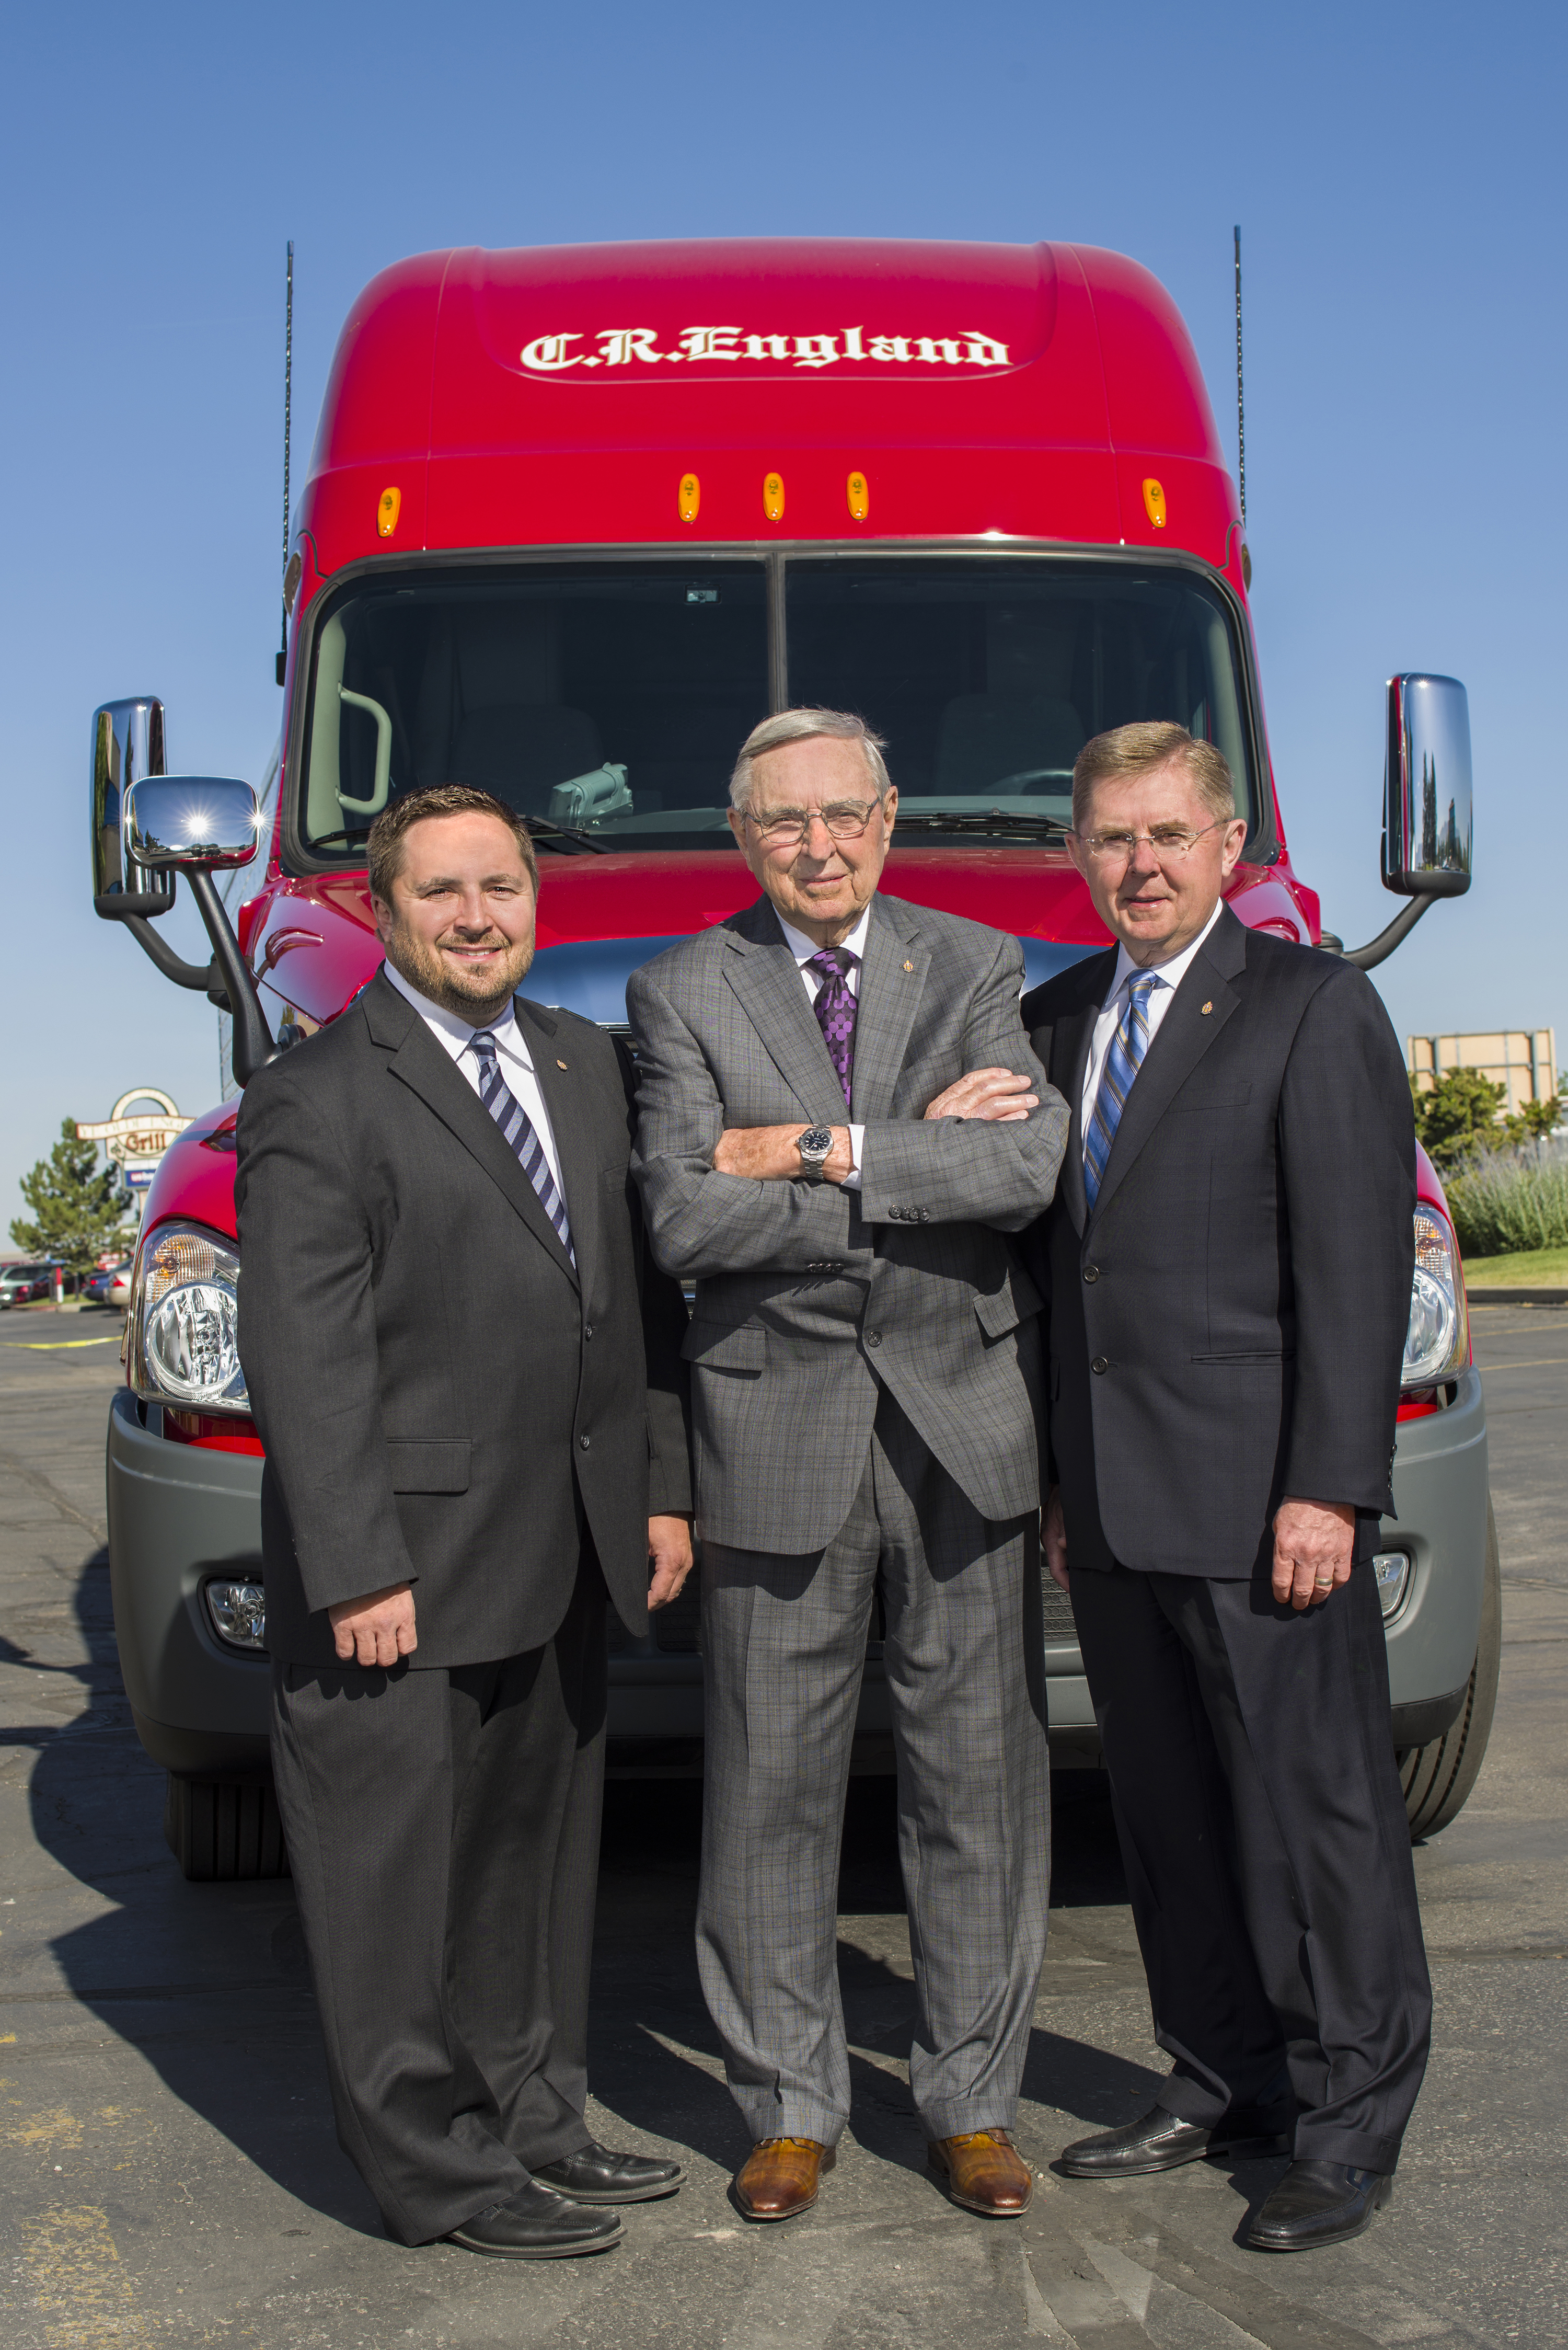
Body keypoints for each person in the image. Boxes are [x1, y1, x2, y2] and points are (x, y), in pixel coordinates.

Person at [235, 784, 694, 2260]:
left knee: (529, 1865)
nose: (479, 915)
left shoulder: (584, 1063)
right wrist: (357, 1560)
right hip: (402, 1572)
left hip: (561, 1542)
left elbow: (638, 1308)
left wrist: (662, 1485)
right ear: (382, 910)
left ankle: (536, 2116)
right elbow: (306, 1360)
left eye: (500, 886)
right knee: (395, 1890)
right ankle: (438, 2173)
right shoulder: (319, 1098)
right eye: (443, 891)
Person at [627, 708, 1068, 2223]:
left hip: (961, 1427)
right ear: (742, 839)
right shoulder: (681, 986)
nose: (818, 846)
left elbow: (1018, 1170)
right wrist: (901, 1156)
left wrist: (809, 1148)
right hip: (773, 1432)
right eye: (782, 824)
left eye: (843, 815)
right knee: (767, 1789)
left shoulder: (977, 965)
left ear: (887, 817)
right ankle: (788, 2105)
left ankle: (973, 2100)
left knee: (980, 1782)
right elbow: (683, 1219)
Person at [1020, 721, 1429, 2253]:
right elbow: (1068, 1273)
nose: (1139, 864)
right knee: (1172, 1815)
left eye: (1167, 836)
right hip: (1120, 1505)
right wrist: (1064, 1477)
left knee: (1314, 1817)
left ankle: (1348, 2115)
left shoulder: (1313, 1006)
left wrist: (1329, 1483)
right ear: (1080, 855)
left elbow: (1354, 1268)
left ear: (1228, 846)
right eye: (1113, 839)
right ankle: (1218, 2073)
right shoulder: (1053, 1017)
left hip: (1270, 1502)